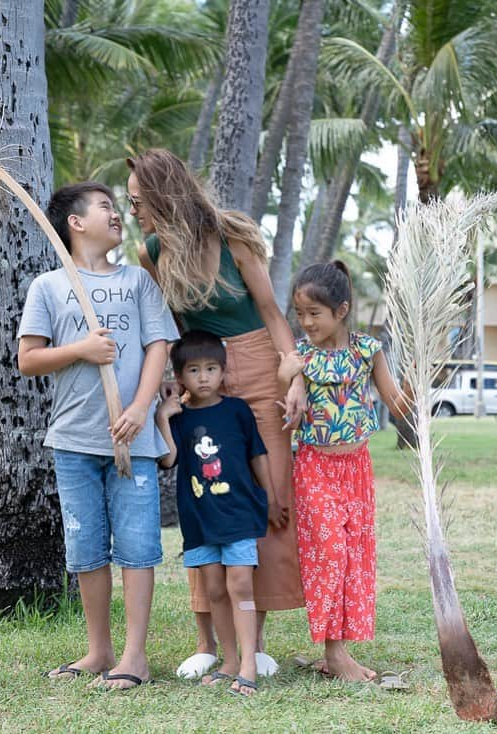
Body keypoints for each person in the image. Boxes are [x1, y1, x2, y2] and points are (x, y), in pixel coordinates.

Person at [127, 149, 305, 679]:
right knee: (203, 492)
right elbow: (172, 330)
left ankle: (255, 641)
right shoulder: (152, 251)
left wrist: (293, 376)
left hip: (256, 367)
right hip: (199, 374)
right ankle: (207, 640)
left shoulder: (233, 237)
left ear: (163, 195)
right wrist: (175, 388)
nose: (134, 210)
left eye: (138, 201)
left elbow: (272, 313)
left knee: (267, 493)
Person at [17, 182, 179, 690]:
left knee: (137, 545)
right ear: (75, 222)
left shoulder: (137, 282)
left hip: (133, 440)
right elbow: (28, 359)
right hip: (73, 440)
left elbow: (159, 347)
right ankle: (98, 650)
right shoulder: (48, 286)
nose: (117, 214)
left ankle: (135, 655)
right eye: (107, 207)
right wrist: (82, 349)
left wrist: (139, 408)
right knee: (85, 548)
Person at [278, 261, 413, 682]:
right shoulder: (301, 356)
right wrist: (293, 381)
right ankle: (334, 655)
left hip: (357, 466)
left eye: (314, 313)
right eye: (300, 314)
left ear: (341, 310)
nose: (306, 322)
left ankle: (339, 650)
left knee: (354, 557)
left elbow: (396, 404)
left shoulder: (368, 350)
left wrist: (424, 375)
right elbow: (287, 393)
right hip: (315, 465)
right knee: (330, 554)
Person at [156, 330, 280, 696]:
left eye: (212, 368)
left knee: (239, 582)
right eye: (194, 370)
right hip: (200, 518)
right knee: (214, 588)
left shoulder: (237, 410)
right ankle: (227, 660)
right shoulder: (179, 419)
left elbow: (258, 454)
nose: (204, 377)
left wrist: (271, 498)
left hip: (239, 512)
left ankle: (247, 665)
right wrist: (164, 415)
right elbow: (168, 459)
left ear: (224, 371)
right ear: (180, 378)